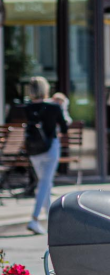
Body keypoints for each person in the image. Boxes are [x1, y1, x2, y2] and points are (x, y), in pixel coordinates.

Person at [23, 77, 66, 235]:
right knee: (44, 183)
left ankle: (51, 221)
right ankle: (34, 219)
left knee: (45, 184)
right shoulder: (53, 107)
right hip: (50, 148)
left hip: (33, 150)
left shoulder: (27, 108)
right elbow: (64, 127)